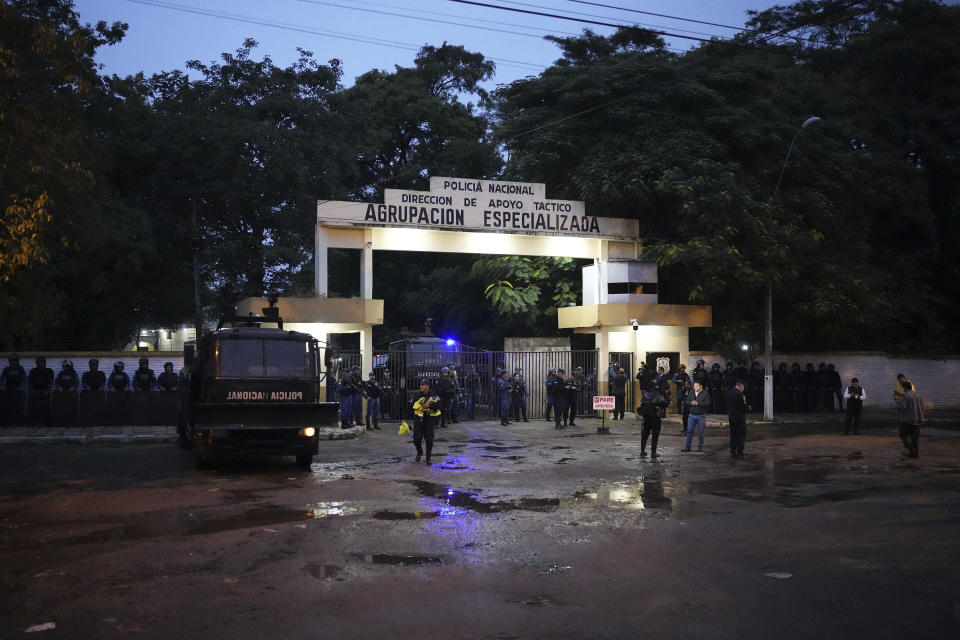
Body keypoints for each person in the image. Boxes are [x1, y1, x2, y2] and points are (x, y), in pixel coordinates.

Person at [411, 379, 441, 464]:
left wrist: (429, 406)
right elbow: (411, 406)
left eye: (423, 385)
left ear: (428, 386)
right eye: (420, 384)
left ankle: (428, 458)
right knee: (417, 439)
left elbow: (439, 405)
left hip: (429, 420)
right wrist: (404, 418)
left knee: (429, 440)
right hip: (418, 419)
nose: (421, 386)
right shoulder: (417, 395)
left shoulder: (433, 395)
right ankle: (419, 452)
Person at [638, 381, 668, 458]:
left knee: (644, 435)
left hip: (646, 418)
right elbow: (665, 403)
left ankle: (642, 451)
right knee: (655, 435)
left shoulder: (645, 395)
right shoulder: (657, 395)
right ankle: (653, 452)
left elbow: (642, 404)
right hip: (656, 418)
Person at [895, 381, 923, 458]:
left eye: (903, 388)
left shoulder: (906, 396)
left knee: (902, 434)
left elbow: (903, 407)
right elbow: (922, 408)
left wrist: (897, 401)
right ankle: (915, 454)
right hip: (918, 419)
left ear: (905, 388)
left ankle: (912, 451)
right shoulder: (918, 395)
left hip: (908, 419)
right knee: (915, 438)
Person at [682, 381, 710, 452]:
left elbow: (708, 403)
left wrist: (698, 403)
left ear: (701, 386)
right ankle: (687, 447)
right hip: (692, 415)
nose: (695, 387)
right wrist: (691, 403)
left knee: (700, 432)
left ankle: (700, 447)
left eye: (697, 386)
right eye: (694, 386)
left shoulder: (705, 393)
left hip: (701, 416)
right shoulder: (691, 392)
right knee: (689, 431)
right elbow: (686, 402)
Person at [725, 380, 750, 458]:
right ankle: (740, 452)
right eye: (743, 388)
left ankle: (732, 452)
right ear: (741, 386)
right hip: (740, 418)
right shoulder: (740, 394)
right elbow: (743, 407)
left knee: (733, 435)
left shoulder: (728, 393)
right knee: (741, 435)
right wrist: (748, 408)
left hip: (731, 417)